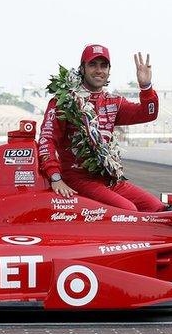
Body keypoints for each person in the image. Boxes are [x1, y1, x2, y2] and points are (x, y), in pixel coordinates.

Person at [37, 44, 164, 212]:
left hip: (109, 179)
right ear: (82, 68)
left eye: (103, 65)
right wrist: (55, 178)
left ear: (109, 71)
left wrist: (146, 87)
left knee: (156, 208)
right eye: (93, 64)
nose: (99, 70)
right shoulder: (64, 101)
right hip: (78, 179)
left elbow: (148, 114)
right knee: (128, 210)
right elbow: (47, 139)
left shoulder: (114, 101)